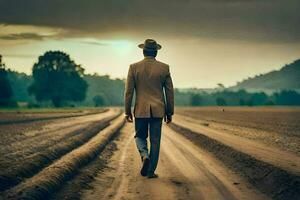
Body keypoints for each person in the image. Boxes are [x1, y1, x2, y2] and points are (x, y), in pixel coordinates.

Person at [124, 39, 174, 178]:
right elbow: (169, 92)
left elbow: (129, 92)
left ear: (143, 51)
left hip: (141, 110)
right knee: (155, 140)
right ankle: (151, 171)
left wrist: (127, 111)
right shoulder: (164, 68)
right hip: (158, 110)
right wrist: (169, 112)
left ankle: (144, 155)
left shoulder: (134, 67)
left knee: (140, 136)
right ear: (156, 52)